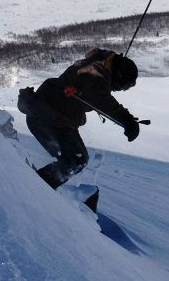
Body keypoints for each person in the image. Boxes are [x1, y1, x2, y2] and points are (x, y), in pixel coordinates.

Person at [19, 48, 141, 189]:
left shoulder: (98, 64)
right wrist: (127, 120)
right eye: (123, 86)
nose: (119, 89)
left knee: (76, 159)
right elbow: (102, 100)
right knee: (75, 160)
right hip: (46, 118)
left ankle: (37, 186)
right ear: (119, 75)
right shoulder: (96, 73)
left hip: (53, 118)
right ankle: (31, 190)